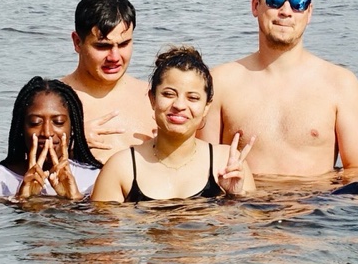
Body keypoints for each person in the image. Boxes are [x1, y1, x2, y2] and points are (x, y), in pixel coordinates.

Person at [200, 0, 358, 178]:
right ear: (255, 5)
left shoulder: (341, 84)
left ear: (309, 12)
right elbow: (204, 166)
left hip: (315, 207)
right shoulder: (221, 82)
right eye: (275, 0)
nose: (286, 12)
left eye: (298, 3)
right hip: (243, 208)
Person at [94, 48, 255, 202]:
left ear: (206, 107)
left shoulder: (227, 163)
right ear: (152, 98)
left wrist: (235, 197)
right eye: (169, 94)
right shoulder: (121, 168)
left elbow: (251, 226)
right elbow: (100, 227)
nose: (179, 105)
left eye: (192, 98)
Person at [62, 0, 158, 157]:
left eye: (123, 44)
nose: (114, 57)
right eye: (102, 46)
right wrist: (69, 142)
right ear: (77, 42)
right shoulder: (53, 101)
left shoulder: (154, 98)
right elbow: (19, 170)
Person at [0, 78, 103, 200]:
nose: (47, 133)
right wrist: (21, 200)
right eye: (35, 123)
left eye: (58, 122)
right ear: (21, 128)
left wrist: (75, 199)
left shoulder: (94, 178)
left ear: (73, 128)